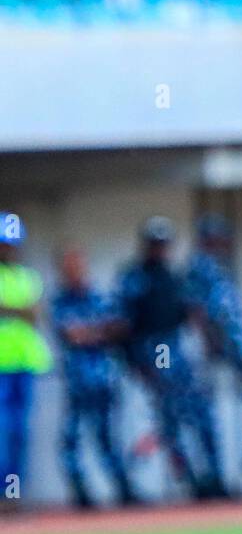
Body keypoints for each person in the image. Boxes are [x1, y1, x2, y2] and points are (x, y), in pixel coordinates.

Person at [115, 217, 228, 500]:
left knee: (200, 413)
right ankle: (186, 479)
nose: (160, 249)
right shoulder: (134, 278)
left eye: (163, 244)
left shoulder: (175, 278)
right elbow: (124, 324)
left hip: (177, 350)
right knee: (169, 419)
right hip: (152, 350)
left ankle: (213, 477)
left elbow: (191, 314)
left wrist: (210, 340)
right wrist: (136, 363)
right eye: (155, 243)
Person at [51, 247, 138, 509]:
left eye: (78, 264)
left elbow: (120, 328)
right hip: (77, 383)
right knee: (71, 440)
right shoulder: (60, 301)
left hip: (104, 380)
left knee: (108, 437)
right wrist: (97, 332)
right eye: (69, 266)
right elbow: (72, 335)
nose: (75, 271)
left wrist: (92, 333)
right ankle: (81, 494)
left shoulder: (99, 297)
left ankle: (124, 490)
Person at [0, 212, 52, 507]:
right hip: (0, 366)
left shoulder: (27, 276)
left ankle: (13, 494)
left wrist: (11, 309)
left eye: (12, 244)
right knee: (2, 431)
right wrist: (17, 310)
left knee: (20, 432)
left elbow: (34, 314)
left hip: (25, 364)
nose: (8, 249)